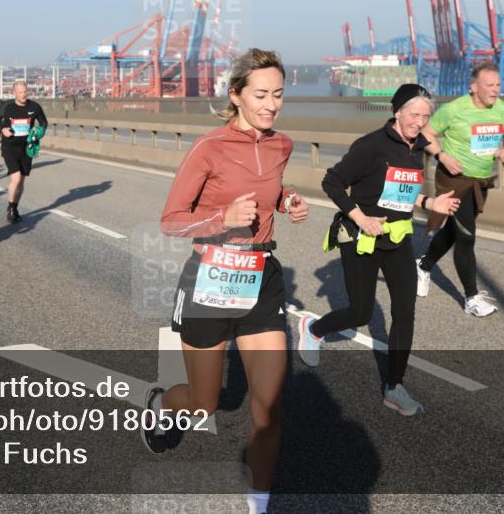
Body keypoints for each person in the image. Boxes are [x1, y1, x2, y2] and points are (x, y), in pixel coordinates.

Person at [143, 49, 309, 514]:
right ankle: (160, 405)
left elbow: (271, 190)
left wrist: (288, 202)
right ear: (235, 95)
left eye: (278, 94)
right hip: (209, 280)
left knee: (268, 409)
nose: (271, 104)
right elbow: (170, 221)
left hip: (261, 279)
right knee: (203, 406)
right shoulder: (209, 148)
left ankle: (259, 505)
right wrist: (223, 217)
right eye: (260, 94)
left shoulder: (282, 144)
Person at [297, 83, 459, 417]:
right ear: (397, 111)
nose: (419, 121)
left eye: (425, 116)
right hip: (360, 236)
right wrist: (361, 217)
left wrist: (430, 202)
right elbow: (332, 181)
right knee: (359, 314)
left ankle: (395, 386)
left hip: (397, 237)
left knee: (405, 310)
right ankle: (313, 329)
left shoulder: (418, 148)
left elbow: (401, 193)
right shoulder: (370, 146)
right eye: (414, 114)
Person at [416, 63, 504, 317]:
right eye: (489, 85)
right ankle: (471, 298)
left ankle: (423, 265)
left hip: (480, 181)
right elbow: (426, 132)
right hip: (454, 179)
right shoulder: (454, 110)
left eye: (498, 85)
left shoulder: (503, 109)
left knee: (453, 231)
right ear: (474, 87)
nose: (495, 90)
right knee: (466, 236)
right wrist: (441, 155)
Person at [0, 81, 48, 223]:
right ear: (14, 93)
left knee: (22, 180)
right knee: (16, 178)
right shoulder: (7, 106)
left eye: (25, 92)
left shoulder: (34, 107)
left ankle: (14, 207)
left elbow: (44, 123)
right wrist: (3, 129)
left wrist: (39, 132)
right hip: (10, 146)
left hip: (27, 147)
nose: (23, 95)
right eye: (20, 92)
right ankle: (11, 208)